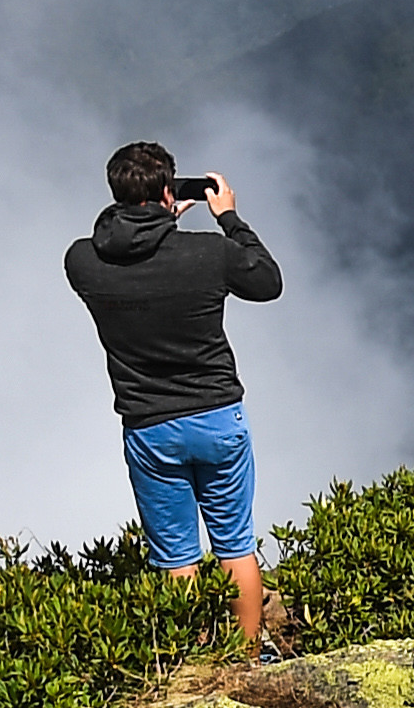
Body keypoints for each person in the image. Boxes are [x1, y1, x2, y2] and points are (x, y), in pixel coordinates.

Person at [65, 139, 287, 651]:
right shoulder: (208, 254)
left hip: (149, 425)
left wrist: (151, 218)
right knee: (234, 547)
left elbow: (111, 244)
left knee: (176, 559)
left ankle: (192, 657)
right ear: (169, 190)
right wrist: (226, 218)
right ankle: (248, 655)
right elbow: (267, 281)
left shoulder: (82, 262)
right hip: (216, 416)